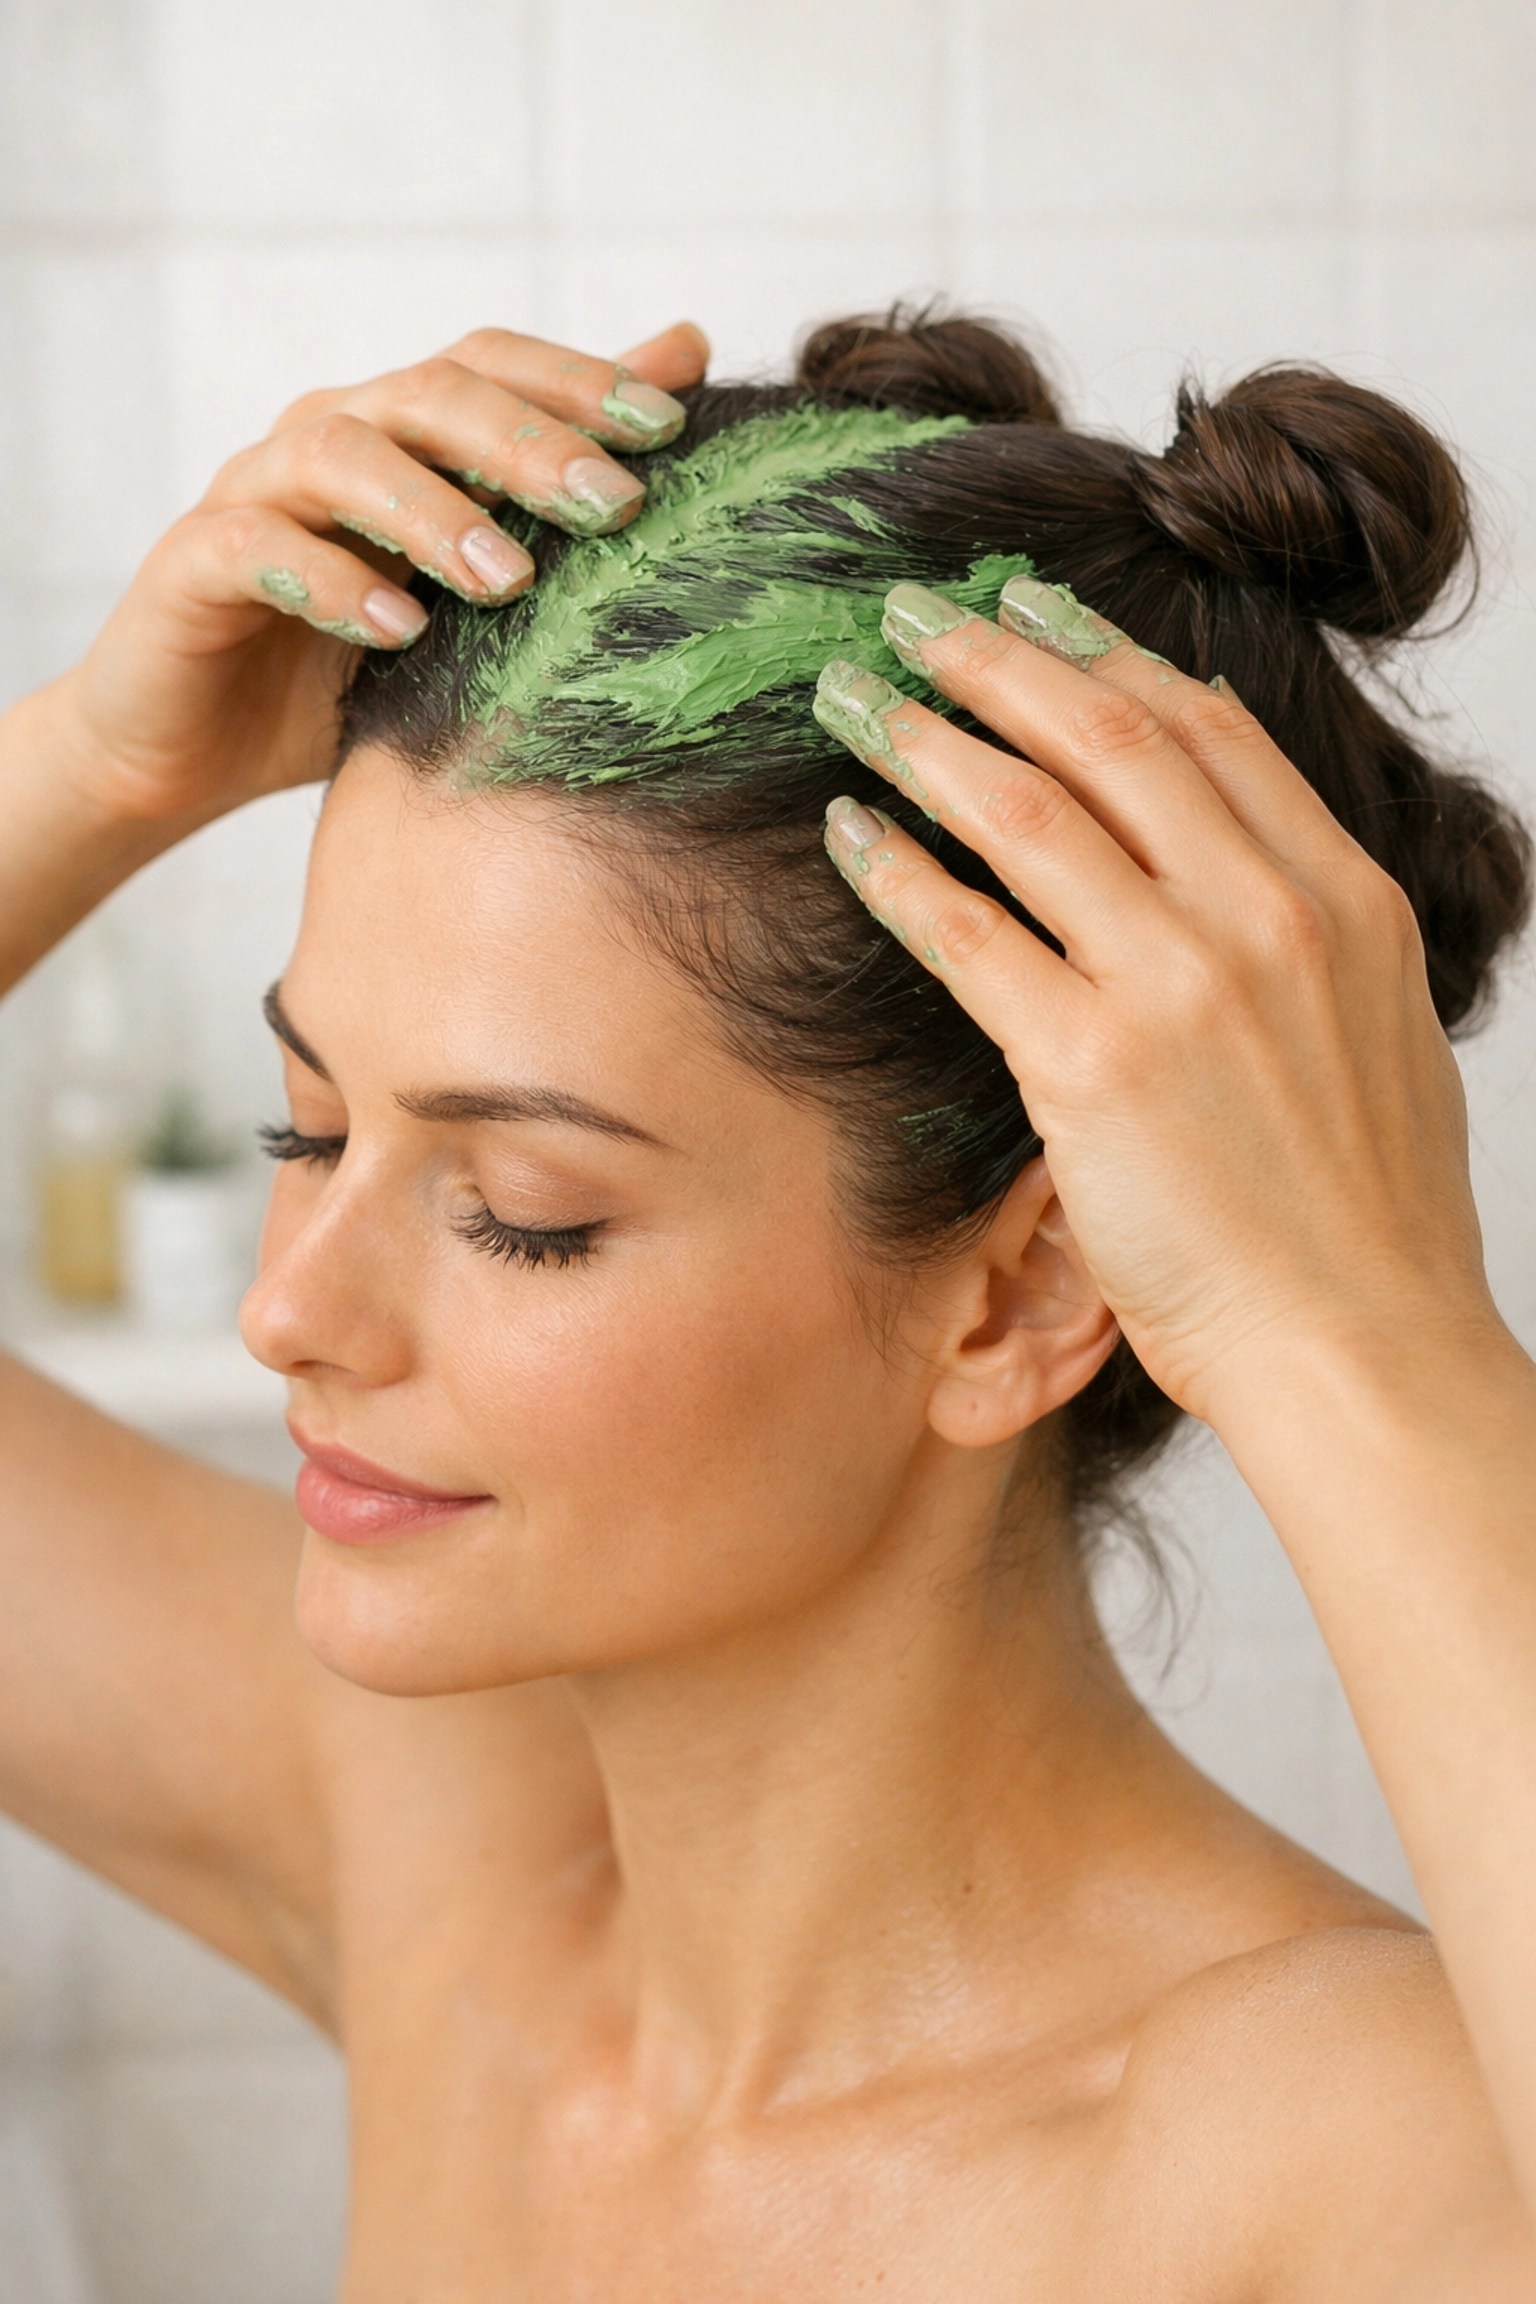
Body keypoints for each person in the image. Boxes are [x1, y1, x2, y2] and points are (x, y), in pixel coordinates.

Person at [1, 303, 1534, 2300]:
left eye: (523, 1211)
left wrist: (1361, 1334)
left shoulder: (1345, 2163)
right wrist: (92, 767)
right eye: (309, 1133)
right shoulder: (449, 1868)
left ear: (1025, 1293)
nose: (292, 1312)